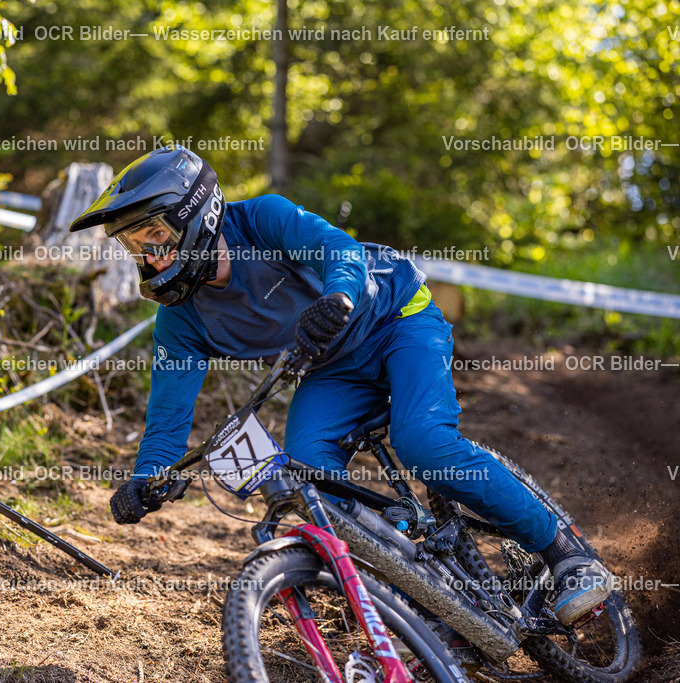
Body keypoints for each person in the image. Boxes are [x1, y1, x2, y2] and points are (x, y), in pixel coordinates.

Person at [68, 146, 611, 626]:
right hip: (332, 366)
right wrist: (148, 479)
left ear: (198, 215)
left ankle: (569, 555)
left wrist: (339, 297)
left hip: (398, 319)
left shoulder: (263, 220)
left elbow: (342, 252)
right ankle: (410, 580)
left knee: (423, 443)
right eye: (135, 244)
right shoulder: (180, 321)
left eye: (156, 234)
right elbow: (168, 417)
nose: (150, 255)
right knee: (308, 473)